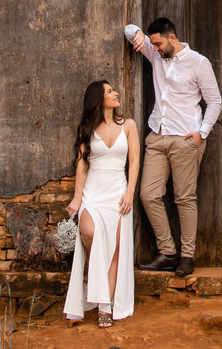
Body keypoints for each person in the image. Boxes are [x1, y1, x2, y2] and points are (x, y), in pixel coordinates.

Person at [125, 17, 222, 277]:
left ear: (172, 38)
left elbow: (215, 102)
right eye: (151, 44)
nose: (153, 49)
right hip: (157, 136)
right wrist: (136, 34)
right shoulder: (156, 54)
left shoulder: (199, 63)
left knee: (184, 198)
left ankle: (187, 256)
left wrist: (202, 133)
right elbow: (128, 30)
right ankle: (167, 252)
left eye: (157, 44)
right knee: (148, 194)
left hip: (185, 140)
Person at [63, 80, 141, 328]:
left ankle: (104, 306)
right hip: (93, 194)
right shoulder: (87, 127)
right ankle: (91, 270)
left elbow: (135, 161)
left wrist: (130, 192)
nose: (115, 93)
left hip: (118, 193)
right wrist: (77, 198)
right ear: (99, 99)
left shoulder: (128, 125)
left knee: (115, 250)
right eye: (110, 91)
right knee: (89, 232)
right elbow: (82, 163)